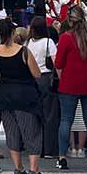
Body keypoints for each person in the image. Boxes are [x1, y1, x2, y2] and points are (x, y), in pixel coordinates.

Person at [54, 11, 87, 171]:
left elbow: (58, 63)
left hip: (70, 84)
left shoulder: (66, 38)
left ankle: (62, 157)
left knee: (66, 121)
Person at [0, 18, 46, 174]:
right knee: (31, 131)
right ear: (12, 32)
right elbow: (36, 73)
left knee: (12, 131)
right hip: (24, 95)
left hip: (4, 94)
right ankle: (34, 169)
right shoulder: (23, 51)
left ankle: (18, 168)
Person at [27, 18, 60, 159]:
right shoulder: (49, 42)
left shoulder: (27, 43)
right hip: (46, 78)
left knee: (34, 115)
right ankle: (49, 148)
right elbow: (56, 62)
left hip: (31, 79)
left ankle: (35, 147)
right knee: (50, 115)